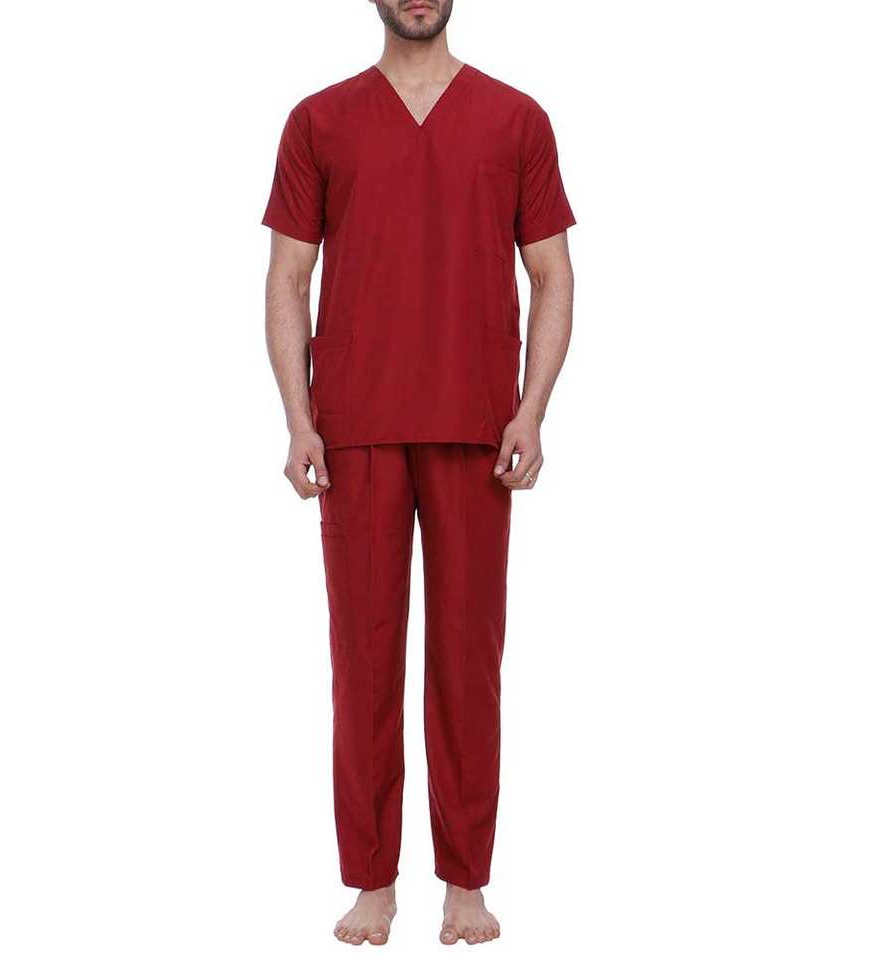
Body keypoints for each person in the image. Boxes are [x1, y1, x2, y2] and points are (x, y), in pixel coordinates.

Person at [262, 0, 575, 946]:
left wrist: (530, 409)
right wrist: (299, 420)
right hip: (355, 429)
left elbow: (553, 275)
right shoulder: (318, 121)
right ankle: (372, 880)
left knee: (468, 669)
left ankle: (465, 881)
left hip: (476, 431)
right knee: (362, 668)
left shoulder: (516, 119)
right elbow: (287, 279)